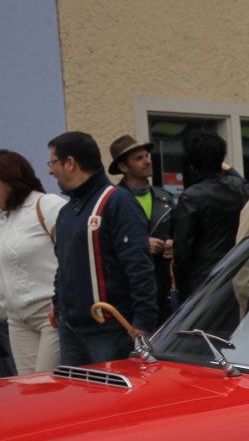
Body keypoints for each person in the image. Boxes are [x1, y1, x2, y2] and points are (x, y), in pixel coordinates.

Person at [46, 131, 159, 366]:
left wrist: (143, 322)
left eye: (53, 162)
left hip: (110, 331)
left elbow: (138, 266)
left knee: (111, 390)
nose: (50, 171)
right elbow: (63, 264)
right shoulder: (67, 211)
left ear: (70, 163)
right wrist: (58, 305)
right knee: (75, 391)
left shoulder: (117, 202)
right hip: (71, 330)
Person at [0, 150, 65, 372]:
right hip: (17, 319)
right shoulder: (4, 218)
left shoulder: (47, 205)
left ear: (10, 180)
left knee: (47, 385)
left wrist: (61, 301)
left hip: (50, 314)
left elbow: (74, 255)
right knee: (28, 389)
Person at [168, 130, 249, 303]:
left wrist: (181, 287)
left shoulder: (191, 197)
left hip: (203, 282)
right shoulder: (240, 188)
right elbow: (248, 188)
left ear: (190, 161)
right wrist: (229, 169)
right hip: (238, 273)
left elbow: (182, 252)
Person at [107, 134, 178, 320]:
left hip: (163, 291)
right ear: (123, 167)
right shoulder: (112, 201)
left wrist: (173, 244)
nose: (147, 161)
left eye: (147, 156)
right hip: (128, 294)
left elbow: (180, 233)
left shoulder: (165, 198)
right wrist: (141, 244)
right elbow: (104, 243)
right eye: (139, 158)